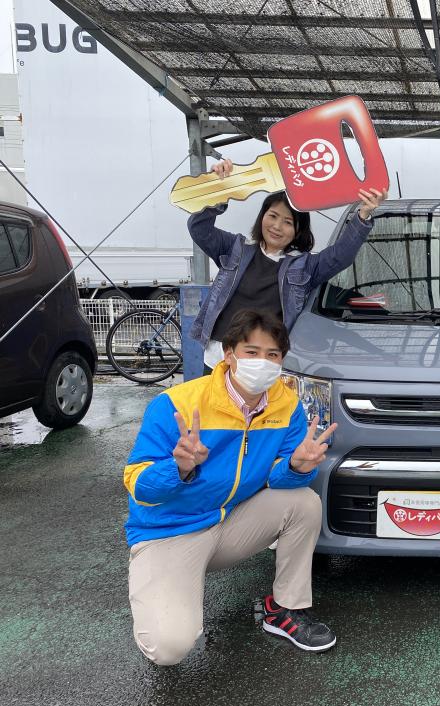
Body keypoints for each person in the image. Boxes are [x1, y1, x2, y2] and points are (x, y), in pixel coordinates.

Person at [123, 310, 338, 665]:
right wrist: (178, 468)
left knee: (304, 502)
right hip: (170, 532)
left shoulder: (286, 406)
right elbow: (138, 485)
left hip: (230, 521)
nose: (263, 362)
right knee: (168, 647)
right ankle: (164, 583)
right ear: (228, 354)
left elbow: (277, 478)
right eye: (251, 352)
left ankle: (284, 609)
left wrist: (296, 467)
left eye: (273, 355)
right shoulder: (177, 404)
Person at [188, 158, 386, 370]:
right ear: (262, 217)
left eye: (288, 222)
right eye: (272, 216)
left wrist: (363, 214)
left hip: (262, 365)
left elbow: (341, 255)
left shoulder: (304, 266)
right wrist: (219, 190)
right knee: (211, 394)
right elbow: (199, 228)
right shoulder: (235, 248)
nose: (277, 226)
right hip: (218, 357)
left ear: (298, 231)